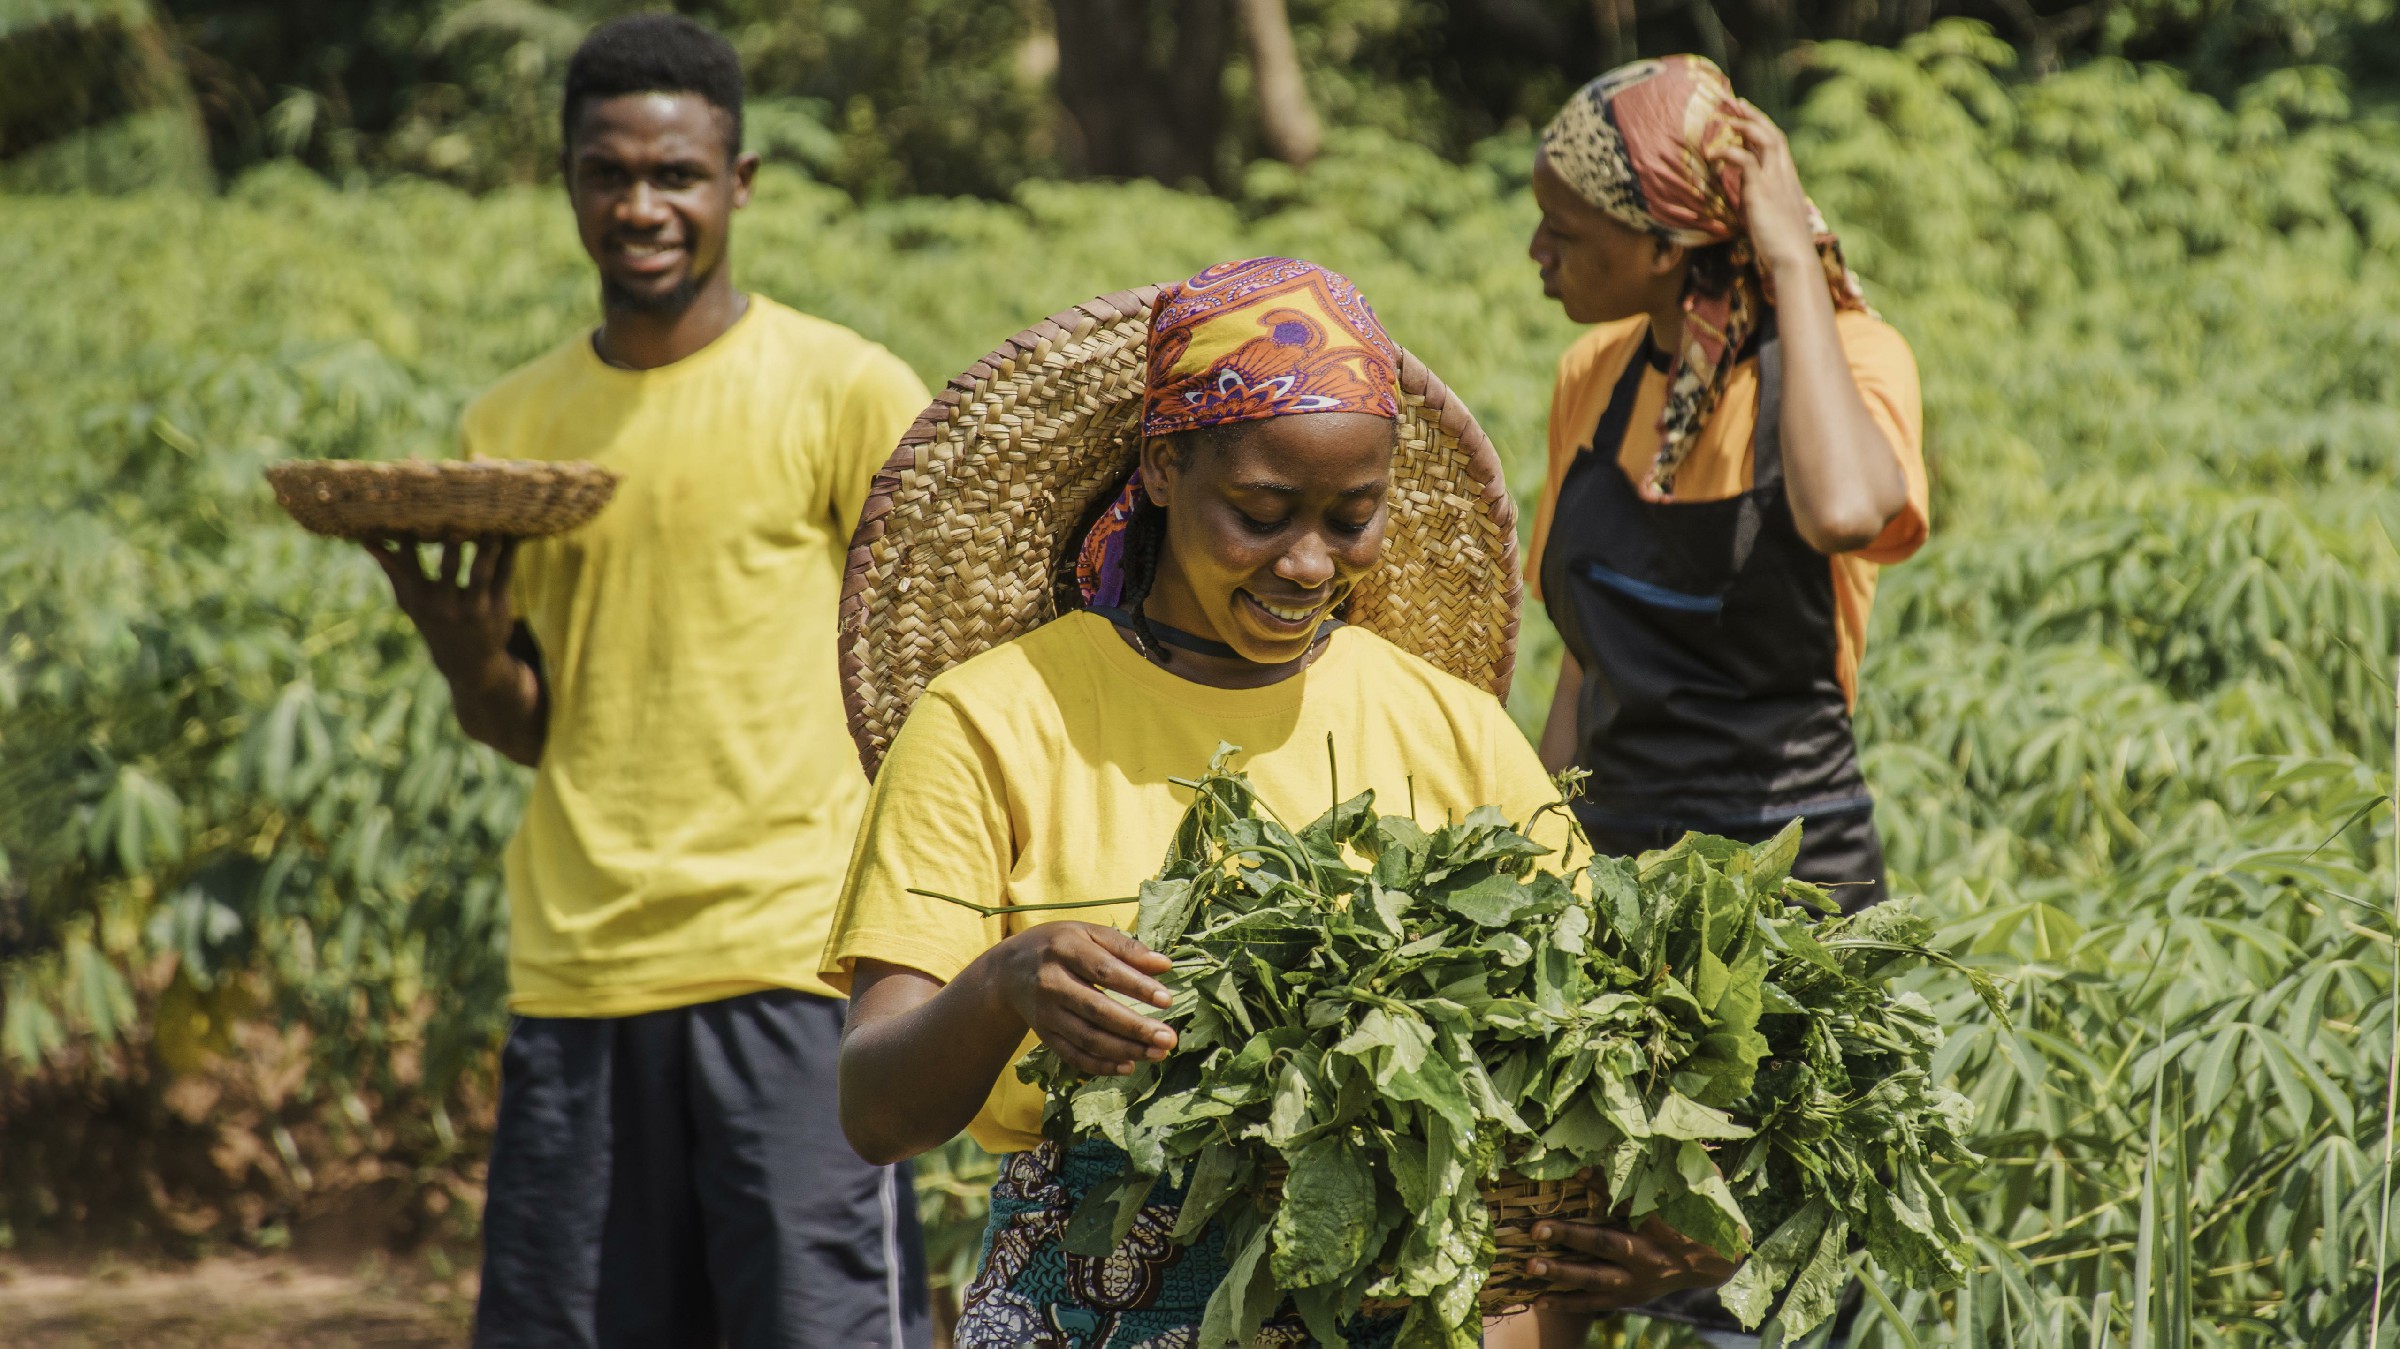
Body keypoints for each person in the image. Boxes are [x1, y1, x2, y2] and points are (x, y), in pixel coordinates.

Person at [822, 257, 1733, 1346]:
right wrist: (1003, 983)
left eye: (1354, 515)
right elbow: (876, 1107)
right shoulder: (994, 720)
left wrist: (1674, 1229)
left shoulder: (1445, 727)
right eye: (1259, 511)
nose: (1308, 562)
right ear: (1162, 467)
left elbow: (1600, 1042)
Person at [362, 16, 931, 1347]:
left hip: (793, 964)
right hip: (579, 974)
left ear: (737, 184)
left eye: (676, 174)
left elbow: (934, 674)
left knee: (817, 1327)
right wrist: (460, 651)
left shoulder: (840, 391)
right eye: (608, 173)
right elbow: (532, 723)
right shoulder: (510, 430)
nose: (642, 206)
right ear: (566, 183)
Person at [1506, 56, 1930, 1349]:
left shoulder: (1848, 358)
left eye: (1566, 233)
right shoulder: (1597, 379)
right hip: (1614, 885)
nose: (1536, 255)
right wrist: (1529, 862)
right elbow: (1582, 658)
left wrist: (1792, 260)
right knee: (1553, 1258)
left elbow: (1848, 510)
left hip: (1789, 899)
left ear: (1664, 245)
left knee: (1757, 1294)